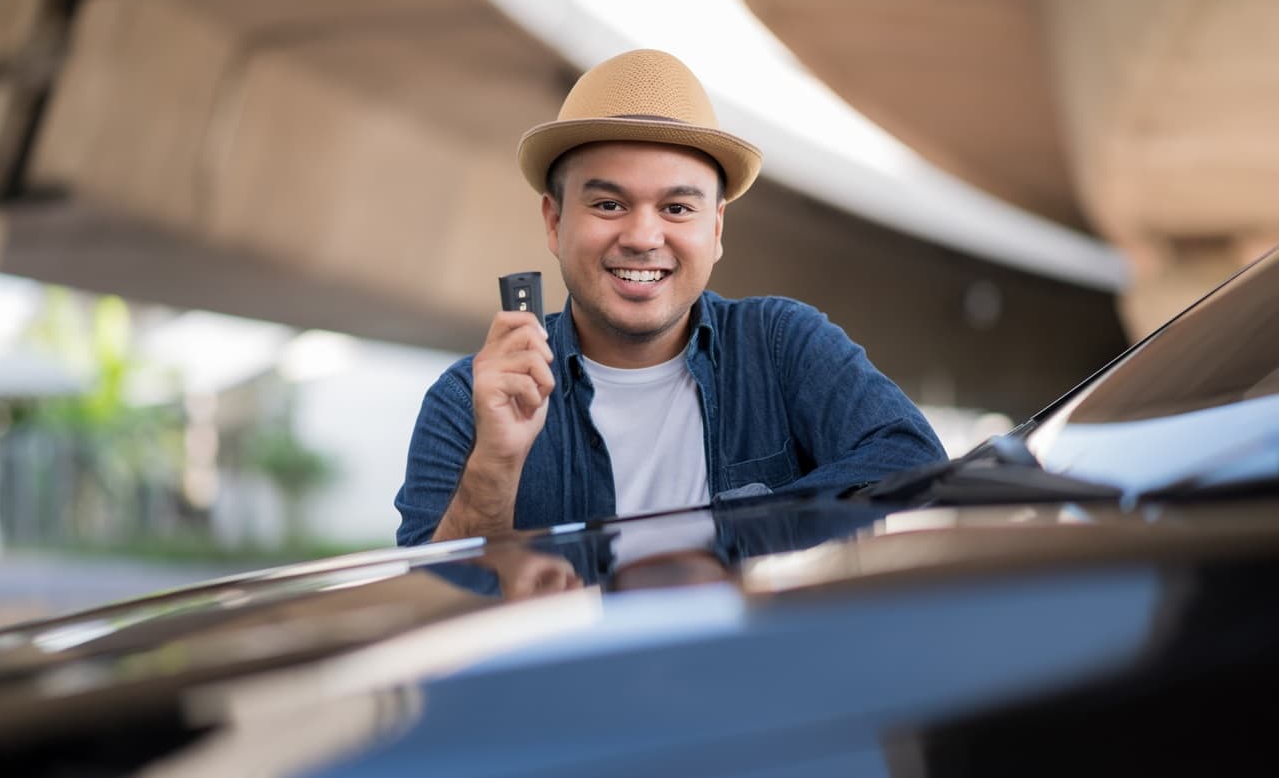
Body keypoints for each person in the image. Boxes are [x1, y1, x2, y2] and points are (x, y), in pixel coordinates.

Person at [396, 49, 945, 546]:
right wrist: (495, 464)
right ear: (554, 219)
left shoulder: (782, 345)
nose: (641, 237)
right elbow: (426, 609)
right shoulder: (466, 401)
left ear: (716, 228)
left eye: (677, 209)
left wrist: (718, 543)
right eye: (609, 204)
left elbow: (914, 466)